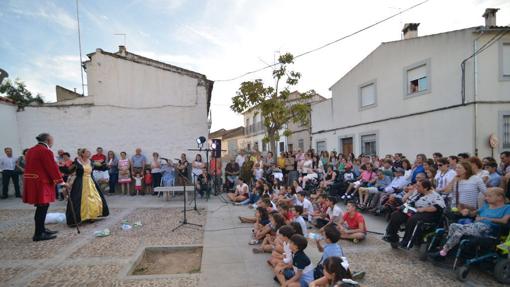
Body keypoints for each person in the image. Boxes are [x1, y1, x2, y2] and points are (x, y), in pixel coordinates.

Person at [437, 187, 510, 257]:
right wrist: (468, 211)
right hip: (477, 226)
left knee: (461, 229)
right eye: (486, 196)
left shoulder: (507, 208)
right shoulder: (486, 206)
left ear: (500, 197)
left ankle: (445, 250)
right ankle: (450, 249)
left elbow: (504, 221)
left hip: (489, 230)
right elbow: (472, 214)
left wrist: (486, 218)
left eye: (489, 196)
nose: (486, 198)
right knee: (453, 225)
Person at [22, 133, 68, 241]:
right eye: (52, 140)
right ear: (48, 140)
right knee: (42, 207)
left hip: (32, 181)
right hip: (41, 182)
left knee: (42, 207)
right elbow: (51, 167)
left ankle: (42, 229)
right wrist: (61, 182)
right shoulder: (45, 151)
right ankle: (38, 234)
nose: (53, 142)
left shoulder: (31, 150)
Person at [384, 179, 445, 248]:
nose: (416, 188)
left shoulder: (435, 196)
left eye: (419, 186)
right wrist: (402, 207)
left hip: (428, 214)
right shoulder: (417, 192)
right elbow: (409, 202)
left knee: (413, 219)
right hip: (415, 210)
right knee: (396, 214)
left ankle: (406, 242)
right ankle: (392, 236)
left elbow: (437, 207)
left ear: (425, 188)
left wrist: (423, 209)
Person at [66, 148, 109, 226]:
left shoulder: (91, 161)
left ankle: (92, 216)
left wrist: (106, 166)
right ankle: (80, 217)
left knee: (95, 198)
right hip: (80, 182)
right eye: (87, 152)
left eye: (89, 152)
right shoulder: (76, 162)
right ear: (82, 154)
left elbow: (100, 166)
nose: (89, 153)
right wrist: (62, 167)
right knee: (78, 200)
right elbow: (69, 170)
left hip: (91, 182)